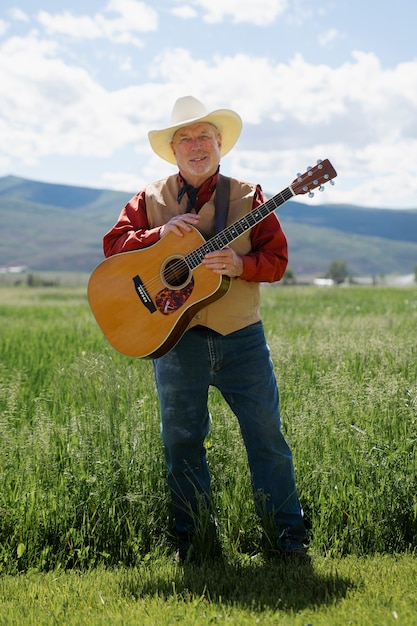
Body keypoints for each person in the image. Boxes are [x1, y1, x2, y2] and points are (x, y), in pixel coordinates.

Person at [103, 95, 308, 563]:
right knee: (182, 443)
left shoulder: (250, 196)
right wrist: (156, 235)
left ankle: (288, 541)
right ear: (174, 151)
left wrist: (240, 263)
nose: (197, 146)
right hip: (176, 343)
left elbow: (276, 262)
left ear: (220, 144)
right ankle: (195, 545)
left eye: (205, 138)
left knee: (267, 437)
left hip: (242, 337)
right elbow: (113, 245)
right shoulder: (148, 200)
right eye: (186, 139)